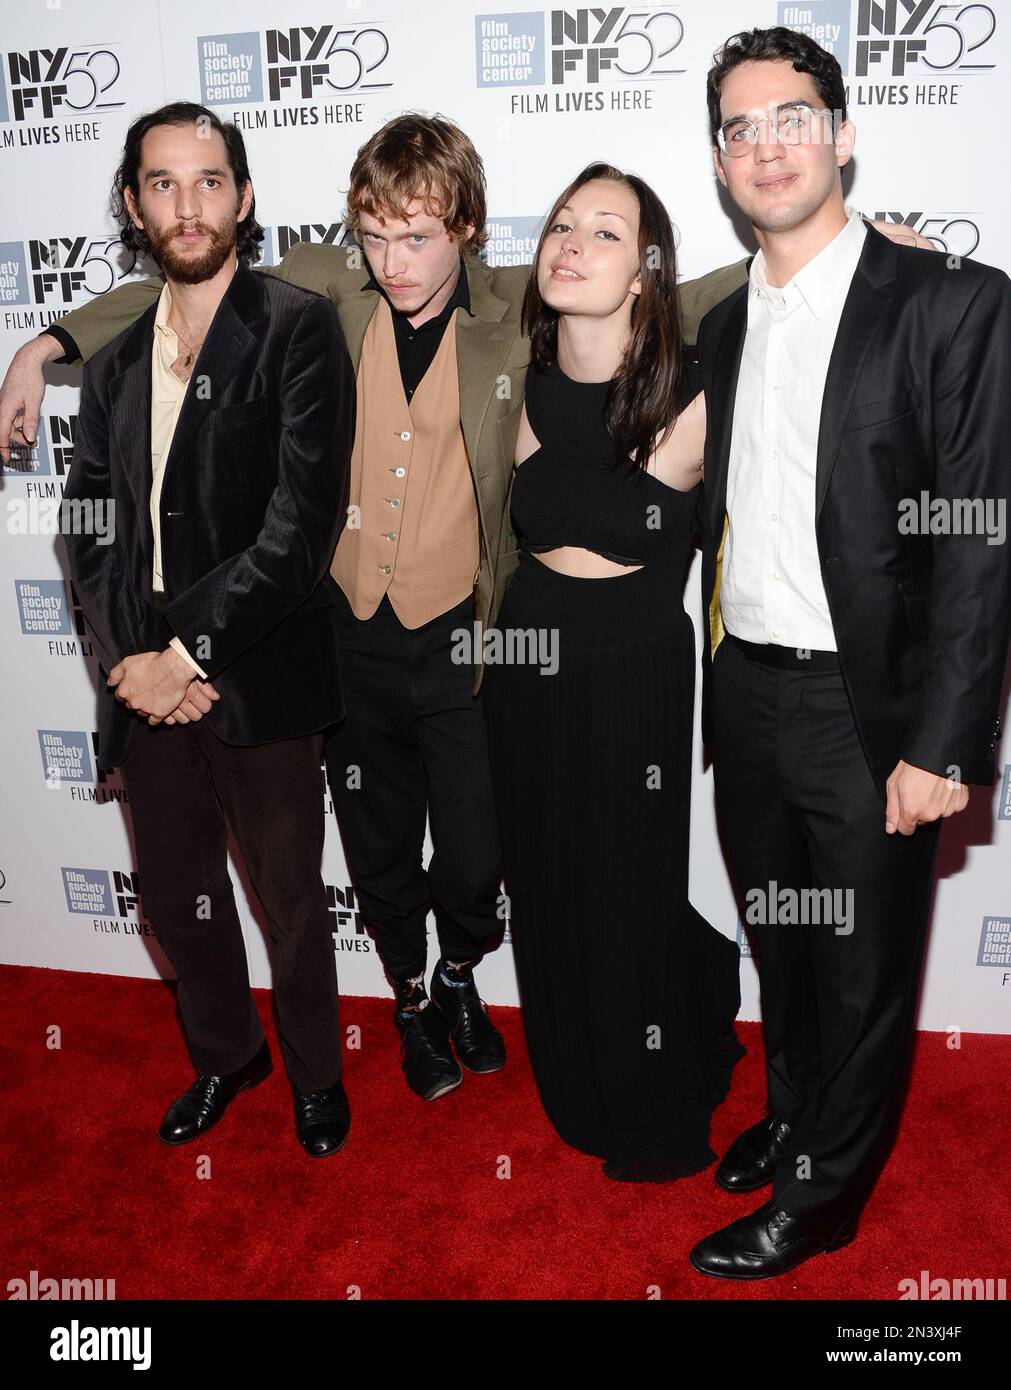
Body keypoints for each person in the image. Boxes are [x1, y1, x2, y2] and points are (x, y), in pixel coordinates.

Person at [0, 114, 751, 1105]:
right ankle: (408, 996)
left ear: (468, 228)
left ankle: (458, 973)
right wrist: (45, 343)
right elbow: (180, 287)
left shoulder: (519, 305)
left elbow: (685, 295)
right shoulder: (324, 288)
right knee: (378, 844)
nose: (395, 260)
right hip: (347, 635)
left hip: (465, 637)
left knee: (480, 852)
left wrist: (827, 253)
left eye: (420, 234)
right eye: (376, 233)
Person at [692, 27, 1011, 1278]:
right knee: (780, 928)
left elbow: (982, 543)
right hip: (749, 686)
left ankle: (824, 1197)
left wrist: (946, 741)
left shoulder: (953, 304)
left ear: (844, 132)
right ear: (719, 161)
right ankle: (791, 1110)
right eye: (739, 127)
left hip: (866, 705)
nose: (766, 146)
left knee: (865, 964)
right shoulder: (723, 323)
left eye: (791, 117)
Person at [59, 102, 356, 1157]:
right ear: (136, 205)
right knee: (178, 901)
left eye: (210, 180)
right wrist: (132, 664)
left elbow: (301, 521)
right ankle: (230, 1056)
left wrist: (186, 654)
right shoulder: (112, 367)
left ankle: (319, 1076)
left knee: (288, 899)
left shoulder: (297, 326)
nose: (189, 205)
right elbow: (86, 529)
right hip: (143, 685)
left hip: (257, 678)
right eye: (165, 184)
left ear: (245, 195)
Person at [481, 163, 746, 1182]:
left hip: (636, 663)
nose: (573, 243)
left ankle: (641, 1083)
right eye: (561, 224)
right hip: (525, 652)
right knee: (544, 876)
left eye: (605, 231)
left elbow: (757, 283)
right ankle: (573, 1071)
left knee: (626, 879)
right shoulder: (508, 364)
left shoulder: (694, 387)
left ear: (645, 268)